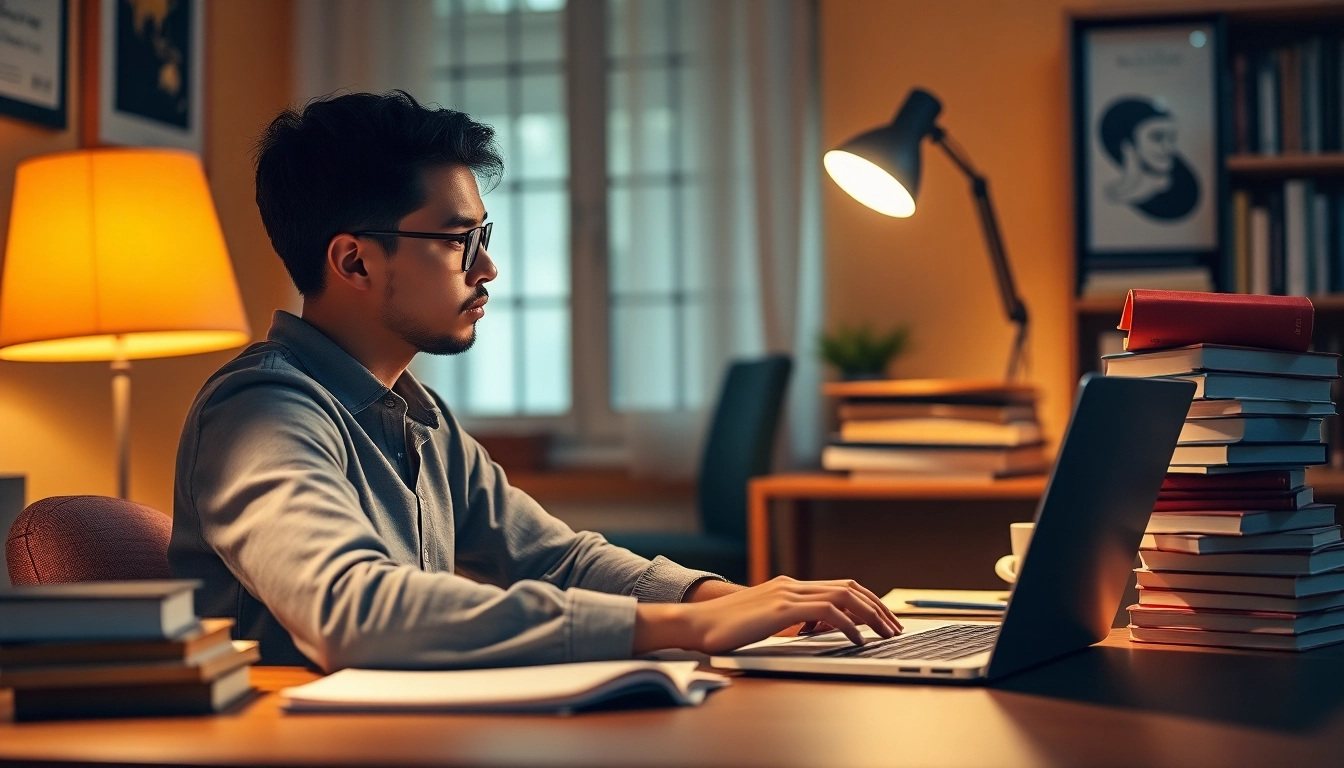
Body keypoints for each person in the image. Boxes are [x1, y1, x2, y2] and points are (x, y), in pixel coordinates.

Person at [168, 91, 900, 671]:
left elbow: (556, 558)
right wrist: (692, 625)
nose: (487, 269)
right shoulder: (261, 411)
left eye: (484, 237)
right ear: (355, 262)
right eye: (459, 241)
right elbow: (353, 615)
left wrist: (742, 602)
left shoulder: (419, 417)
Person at [1098, 97, 1199, 221]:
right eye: (1157, 137)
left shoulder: (1181, 191)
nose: (1168, 147)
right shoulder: (1117, 193)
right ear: (1129, 144)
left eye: (1171, 138)